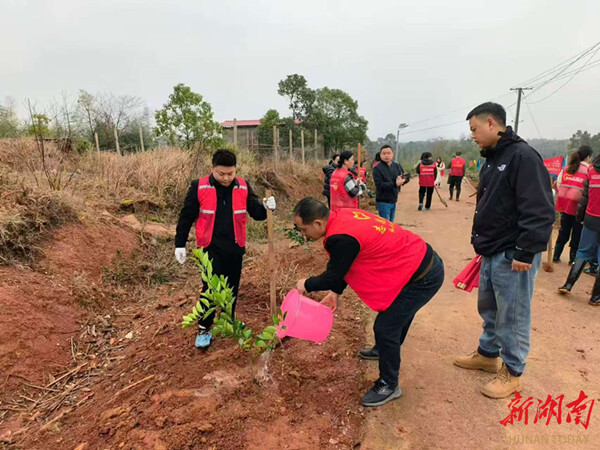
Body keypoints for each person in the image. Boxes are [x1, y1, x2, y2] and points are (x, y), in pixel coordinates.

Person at [293, 198, 444, 407]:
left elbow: (332, 274)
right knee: (395, 318)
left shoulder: (340, 237)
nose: (303, 234)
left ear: (318, 224)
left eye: (303, 229)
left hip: (422, 276)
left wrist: (306, 284)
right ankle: (384, 349)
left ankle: (389, 384)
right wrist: (336, 292)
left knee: (386, 326)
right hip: (418, 262)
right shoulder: (342, 216)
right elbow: (347, 263)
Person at [454, 102, 554, 398]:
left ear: (491, 123)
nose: (472, 135)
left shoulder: (523, 156)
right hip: (492, 249)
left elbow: (539, 208)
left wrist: (526, 251)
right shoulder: (494, 157)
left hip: (514, 253)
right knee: (490, 307)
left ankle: (513, 371)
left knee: (512, 313)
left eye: (474, 129)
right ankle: (487, 354)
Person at [174, 149, 277, 349]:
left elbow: (256, 213)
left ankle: (228, 321)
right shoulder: (199, 187)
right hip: (209, 249)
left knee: (232, 287)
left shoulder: (243, 186)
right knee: (209, 290)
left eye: (230, 173)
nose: (226, 178)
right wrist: (180, 244)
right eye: (221, 174)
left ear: (235, 170)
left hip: (235, 247)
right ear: (212, 168)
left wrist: (266, 206)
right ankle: (204, 327)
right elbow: (186, 217)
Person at [558, 153, 600, 306]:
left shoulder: (592, 171)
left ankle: (568, 285)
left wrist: (580, 217)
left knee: (583, 252)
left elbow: (585, 197)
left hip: (590, 219)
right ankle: (596, 297)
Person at [553, 146, 592, 264]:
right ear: (588, 157)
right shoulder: (589, 170)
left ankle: (556, 256)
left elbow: (558, 185)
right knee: (577, 233)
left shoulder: (566, 168)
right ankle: (572, 260)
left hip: (565, 206)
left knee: (563, 231)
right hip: (580, 209)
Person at [372, 145, 406, 222]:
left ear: (392, 154)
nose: (386, 155)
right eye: (384, 153)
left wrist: (404, 180)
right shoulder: (377, 168)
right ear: (380, 155)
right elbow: (379, 185)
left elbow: (401, 176)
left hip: (393, 199)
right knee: (386, 224)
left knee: (391, 224)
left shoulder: (396, 165)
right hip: (383, 200)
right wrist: (395, 184)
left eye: (388, 153)